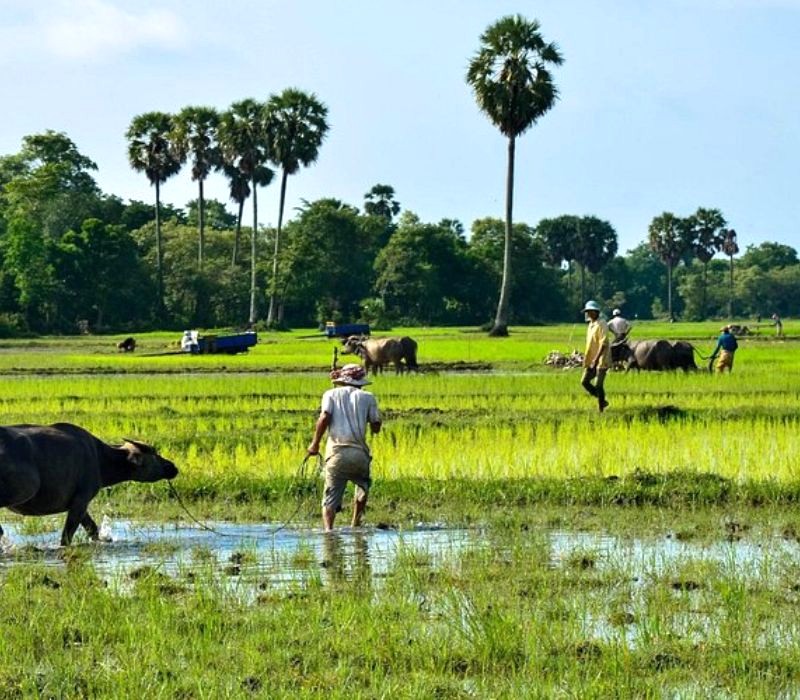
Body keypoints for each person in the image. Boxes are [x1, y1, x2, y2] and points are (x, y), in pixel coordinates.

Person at [307, 363, 382, 531]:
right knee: (362, 487)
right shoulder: (368, 397)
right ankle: (356, 524)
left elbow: (325, 417)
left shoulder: (330, 394)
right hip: (359, 454)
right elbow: (376, 426)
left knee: (331, 497)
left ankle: (328, 531)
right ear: (360, 382)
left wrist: (315, 444)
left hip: (337, 454)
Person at [580, 300, 611, 412]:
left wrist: (596, 359)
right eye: (587, 312)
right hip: (591, 358)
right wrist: (588, 358)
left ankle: (601, 408)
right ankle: (602, 400)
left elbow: (604, 343)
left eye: (590, 311)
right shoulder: (590, 325)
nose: (588, 314)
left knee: (598, 385)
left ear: (596, 312)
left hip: (601, 359)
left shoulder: (602, 324)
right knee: (584, 382)